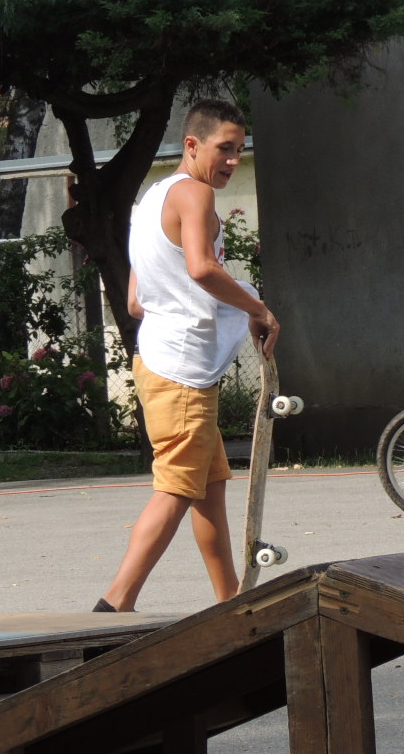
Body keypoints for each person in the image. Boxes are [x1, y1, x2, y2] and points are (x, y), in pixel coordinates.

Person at [94, 100, 278, 613]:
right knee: (176, 487)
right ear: (192, 145)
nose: (233, 160)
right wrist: (257, 308)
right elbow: (200, 268)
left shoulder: (151, 199)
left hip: (159, 361)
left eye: (239, 150)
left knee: (209, 490)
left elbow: (136, 300)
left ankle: (232, 603)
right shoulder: (195, 194)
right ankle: (115, 603)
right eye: (224, 148)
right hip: (182, 371)